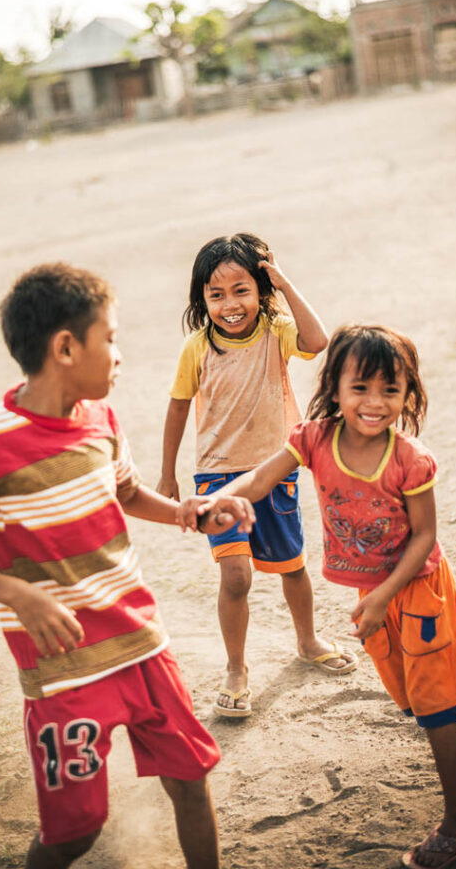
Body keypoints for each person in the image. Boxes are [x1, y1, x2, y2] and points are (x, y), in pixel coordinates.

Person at [0, 262, 255, 869]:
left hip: (141, 641)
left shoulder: (101, 420)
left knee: (190, 783)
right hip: (64, 670)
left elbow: (124, 494)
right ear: (65, 347)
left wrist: (191, 514)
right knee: (74, 832)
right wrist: (19, 595)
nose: (119, 354)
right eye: (110, 338)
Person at [184, 324, 456, 869]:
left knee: (433, 704)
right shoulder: (313, 438)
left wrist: (382, 597)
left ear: (408, 394)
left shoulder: (410, 459)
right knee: (425, 683)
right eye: (360, 388)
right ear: (335, 386)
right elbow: (258, 479)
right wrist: (213, 499)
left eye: (390, 391)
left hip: (417, 586)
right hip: (374, 591)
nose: (375, 403)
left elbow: (425, 537)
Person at [157, 233, 357, 720]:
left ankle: (307, 641)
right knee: (236, 576)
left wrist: (283, 284)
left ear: (262, 289)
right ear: (201, 299)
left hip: (274, 471)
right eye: (216, 294)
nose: (230, 304)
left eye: (241, 290)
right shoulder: (197, 346)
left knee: (292, 567)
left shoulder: (276, 329)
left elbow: (317, 341)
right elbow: (178, 406)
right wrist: (167, 475)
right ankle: (236, 668)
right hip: (217, 479)